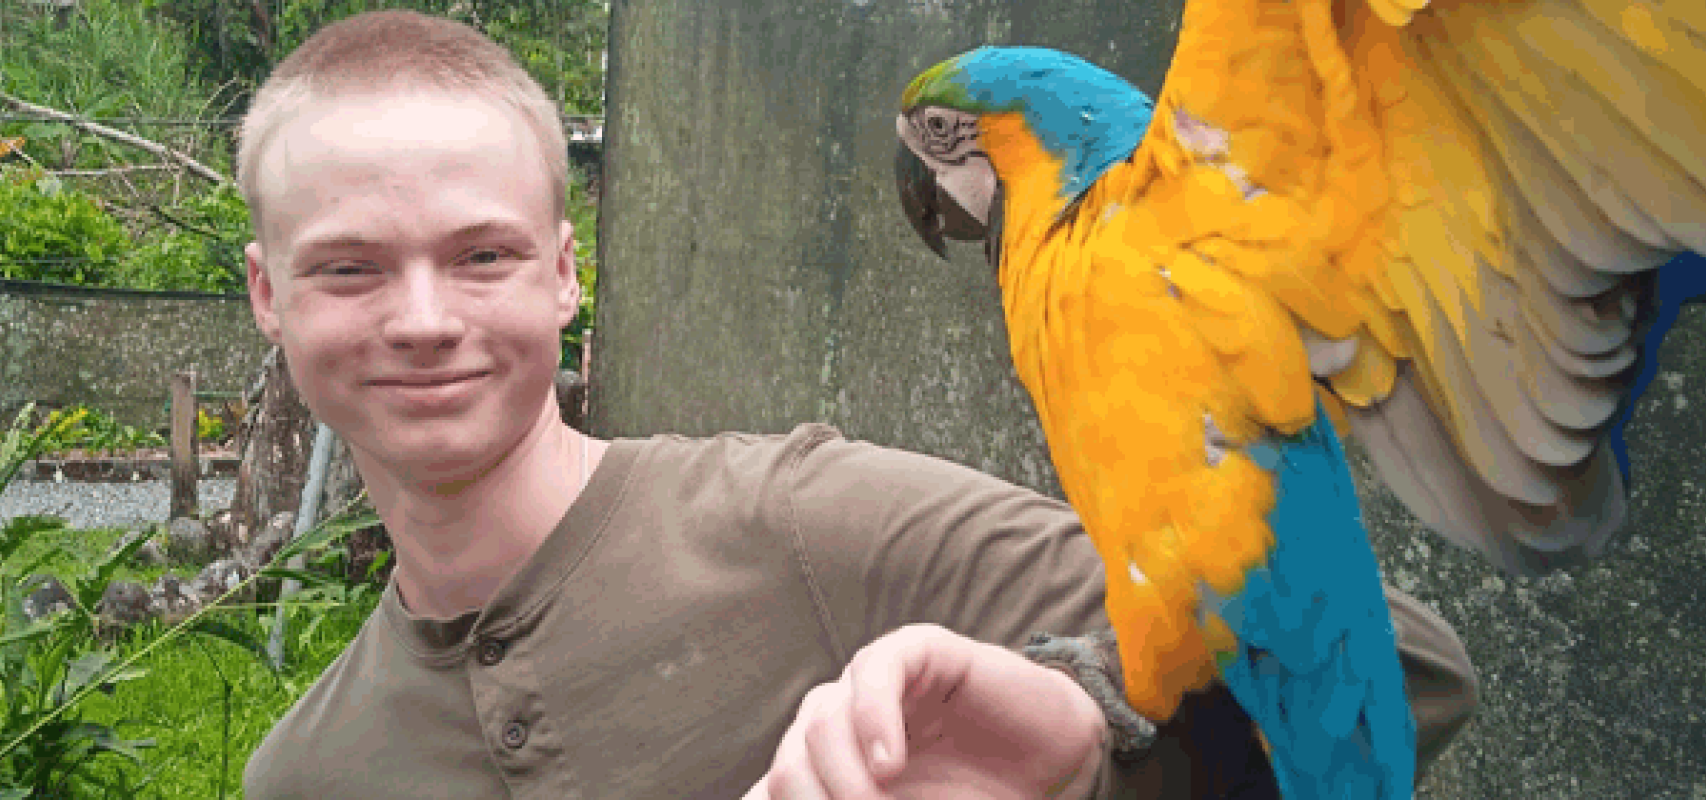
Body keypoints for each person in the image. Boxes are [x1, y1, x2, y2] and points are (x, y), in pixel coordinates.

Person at [236, 10, 1479, 798]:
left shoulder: (807, 517)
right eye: (349, 268)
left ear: (566, 272)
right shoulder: (300, 773)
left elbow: (1407, 661)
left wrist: (1083, 734)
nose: (423, 318)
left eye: (482, 254)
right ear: (265, 295)